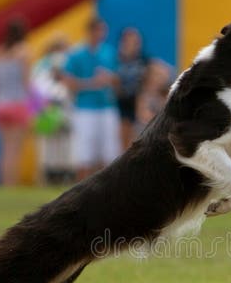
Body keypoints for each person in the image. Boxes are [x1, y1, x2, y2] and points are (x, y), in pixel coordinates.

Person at [63, 17, 121, 180]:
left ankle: (106, 190)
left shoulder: (109, 52)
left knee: (109, 152)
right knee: (84, 153)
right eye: (98, 30)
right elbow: (68, 82)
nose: (101, 34)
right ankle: (81, 189)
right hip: (85, 108)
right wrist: (90, 83)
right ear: (90, 31)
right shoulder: (76, 54)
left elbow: (118, 79)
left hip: (107, 106)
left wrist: (109, 79)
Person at [0, 17, 32, 186]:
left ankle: (2, 183)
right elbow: (26, 82)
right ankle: (11, 184)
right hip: (17, 103)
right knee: (14, 149)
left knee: (3, 149)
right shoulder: (24, 52)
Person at [32, 36, 73, 184]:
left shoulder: (69, 65)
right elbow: (38, 90)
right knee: (47, 147)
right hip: (47, 112)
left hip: (64, 110)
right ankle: (48, 175)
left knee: (65, 144)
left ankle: (64, 173)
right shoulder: (42, 67)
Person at [116, 27, 148, 150]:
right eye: (130, 41)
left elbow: (160, 72)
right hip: (121, 103)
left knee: (134, 141)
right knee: (121, 140)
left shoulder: (144, 60)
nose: (134, 44)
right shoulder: (116, 59)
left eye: (136, 41)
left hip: (137, 102)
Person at [135, 59, 173, 135]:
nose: (162, 78)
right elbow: (142, 115)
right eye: (159, 75)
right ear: (151, 76)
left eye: (163, 76)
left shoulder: (165, 93)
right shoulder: (144, 94)